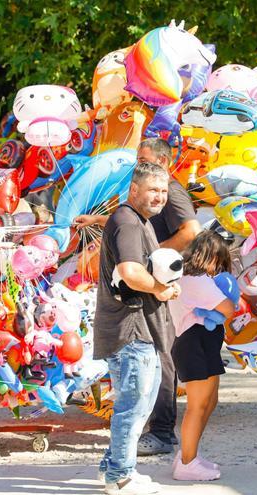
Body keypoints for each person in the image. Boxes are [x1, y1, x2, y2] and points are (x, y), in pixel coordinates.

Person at [76, 138, 202, 456]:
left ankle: (158, 434)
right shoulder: (133, 211)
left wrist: (156, 260)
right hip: (148, 287)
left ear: (160, 162)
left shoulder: (170, 191)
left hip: (153, 283)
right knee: (149, 366)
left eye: (143, 160)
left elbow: (190, 231)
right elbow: (136, 226)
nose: (137, 165)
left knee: (161, 357)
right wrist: (99, 221)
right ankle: (131, 456)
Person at [94, 162, 179, 495]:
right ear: (134, 190)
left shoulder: (135, 220)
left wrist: (167, 284)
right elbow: (130, 271)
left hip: (141, 329)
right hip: (131, 329)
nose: (159, 196)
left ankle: (113, 466)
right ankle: (120, 477)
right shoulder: (128, 222)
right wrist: (161, 289)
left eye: (163, 191)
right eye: (152, 190)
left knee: (140, 405)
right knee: (133, 405)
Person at [167, 231, 235, 481]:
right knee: (197, 406)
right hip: (194, 344)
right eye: (220, 262)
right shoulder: (197, 280)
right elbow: (229, 308)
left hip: (200, 344)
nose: (219, 268)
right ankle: (187, 462)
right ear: (211, 257)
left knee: (209, 400)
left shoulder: (188, 279)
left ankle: (189, 452)